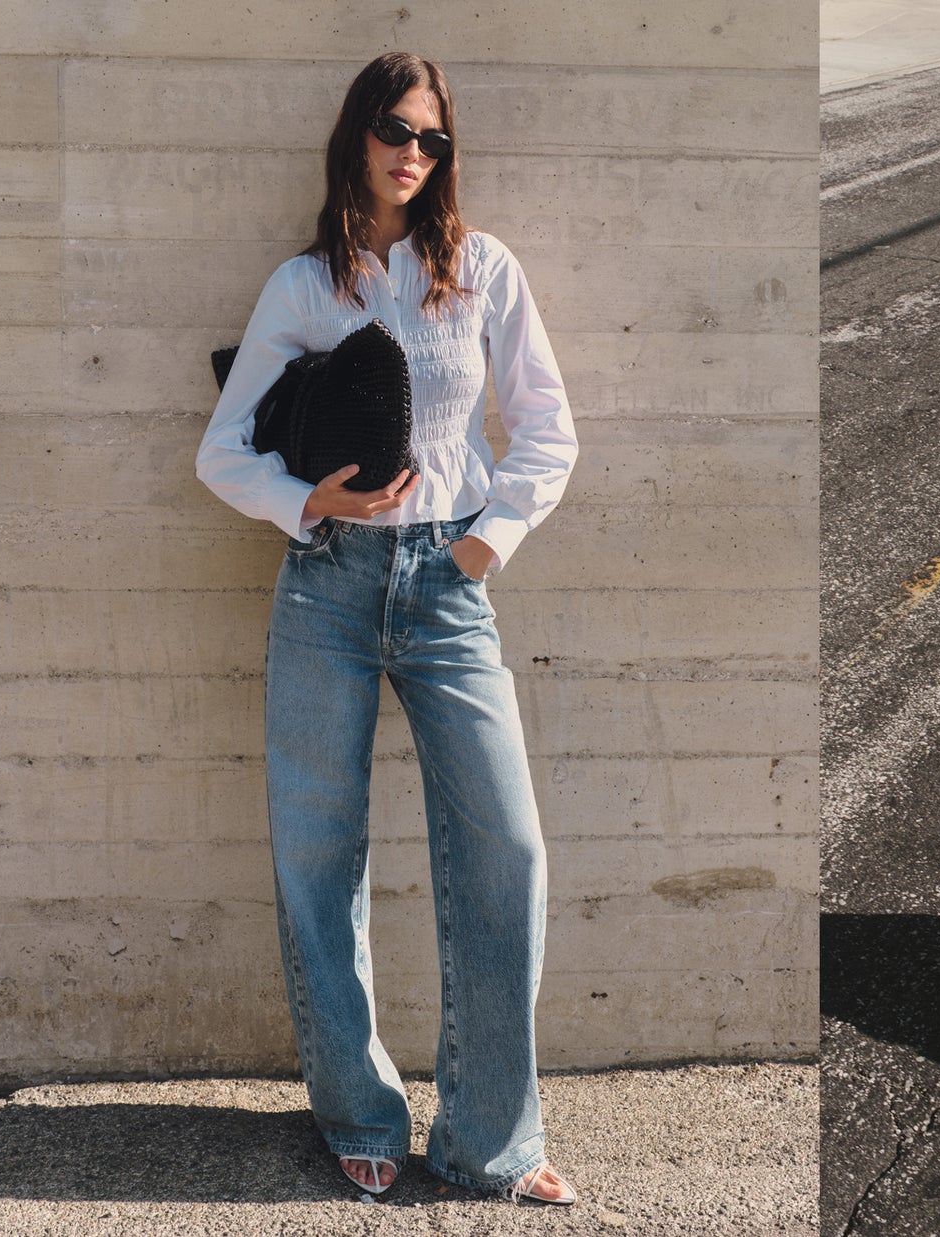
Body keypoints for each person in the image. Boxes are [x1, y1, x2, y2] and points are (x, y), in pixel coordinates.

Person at [195, 51, 581, 1205]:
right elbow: (221, 453)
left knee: (508, 847)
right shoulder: (305, 286)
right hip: (326, 584)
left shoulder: (482, 270)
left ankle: (489, 1139)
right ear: (357, 136)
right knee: (319, 853)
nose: (413, 153)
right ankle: (356, 1111)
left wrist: (483, 545)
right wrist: (303, 500)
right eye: (395, 130)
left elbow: (548, 429)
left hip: (448, 585)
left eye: (432, 137)